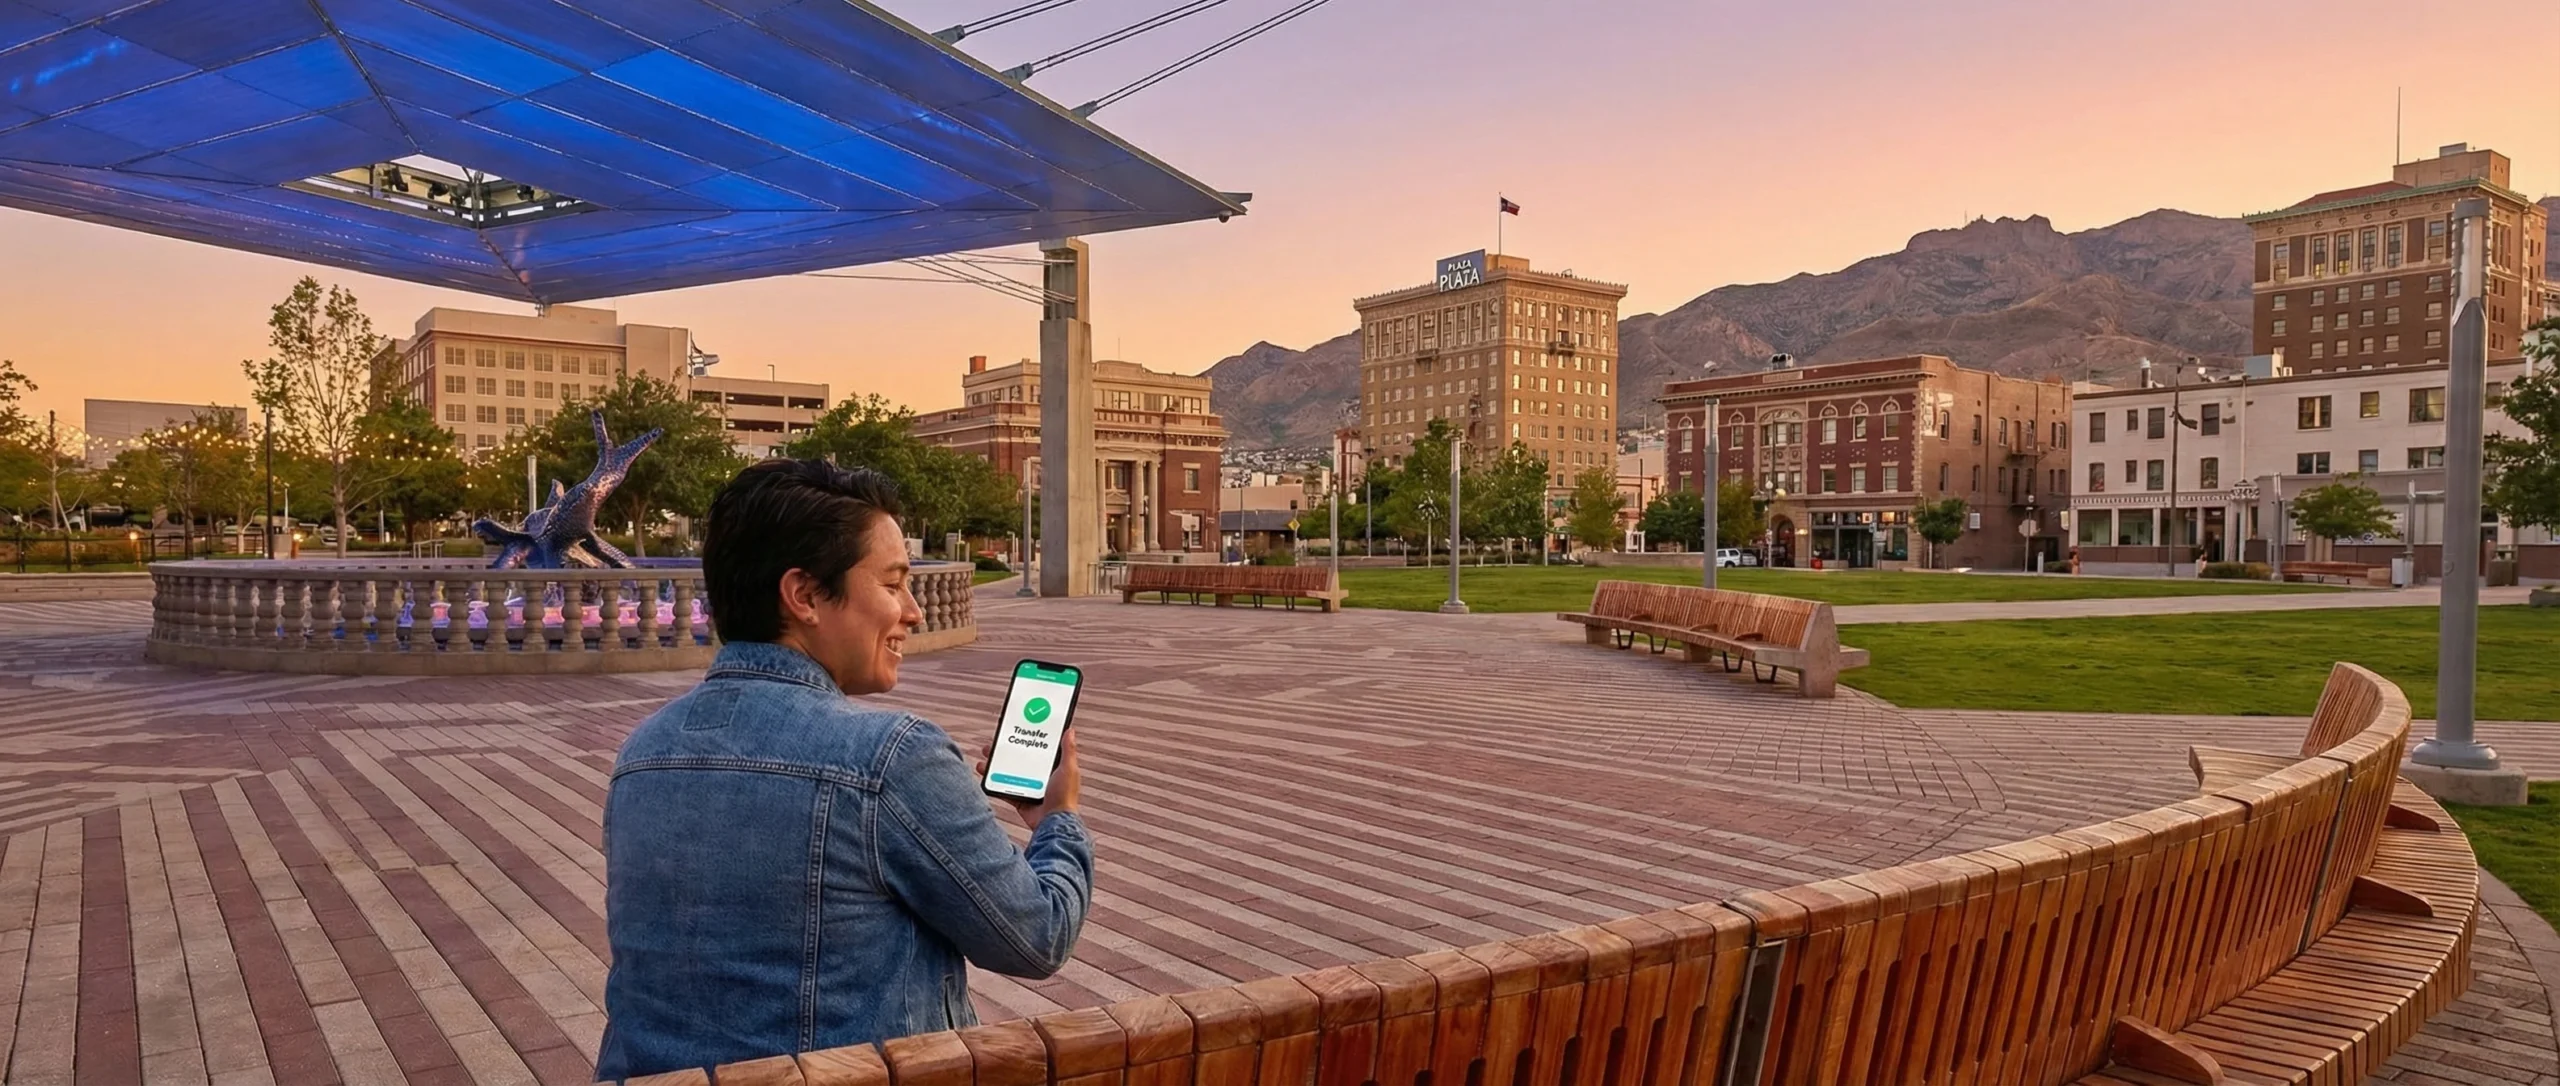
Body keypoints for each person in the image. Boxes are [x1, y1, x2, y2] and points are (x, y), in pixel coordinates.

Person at [596, 459, 1092, 1081]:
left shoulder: (643, 751)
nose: (912, 611)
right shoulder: (888, 756)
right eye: (892, 584)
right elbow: (1036, 936)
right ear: (804, 595)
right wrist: (1059, 819)